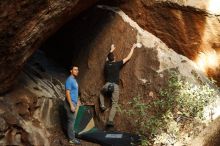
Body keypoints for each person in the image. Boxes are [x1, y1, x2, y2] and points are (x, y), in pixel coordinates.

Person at [99, 43, 137, 127]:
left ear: (108, 59)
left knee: (101, 93)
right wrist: (133, 48)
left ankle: (102, 105)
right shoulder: (117, 64)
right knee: (114, 103)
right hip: (115, 86)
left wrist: (111, 50)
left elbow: (107, 58)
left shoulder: (106, 65)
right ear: (114, 59)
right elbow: (128, 58)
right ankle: (110, 120)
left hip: (107, 84)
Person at [64, 65, 81, 144]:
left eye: (77, 70)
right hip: (70, 103)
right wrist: (71, 105)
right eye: (75, 69)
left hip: (74, 102)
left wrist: (78, 101)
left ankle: (72, 136)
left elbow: (75, 92)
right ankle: (71, 139)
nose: (77, 71)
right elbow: (67, 93)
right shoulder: (69, 80)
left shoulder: (74, 80)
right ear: (71, 71)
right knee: (71, 121)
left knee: (72, 121)